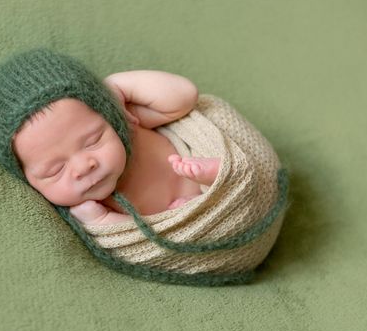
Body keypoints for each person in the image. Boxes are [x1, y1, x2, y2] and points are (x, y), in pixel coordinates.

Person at [11, 70, 221, 225]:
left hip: (219, 192)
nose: (83, 167)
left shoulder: (130, 125)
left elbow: (185, 95)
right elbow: (134, 245)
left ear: (110, 116)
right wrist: (102, 219)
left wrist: (117, 87)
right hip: (193, 230)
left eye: (92, 141)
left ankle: (218, 174)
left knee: (224, 168)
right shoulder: (88, 209)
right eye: (55, 170)